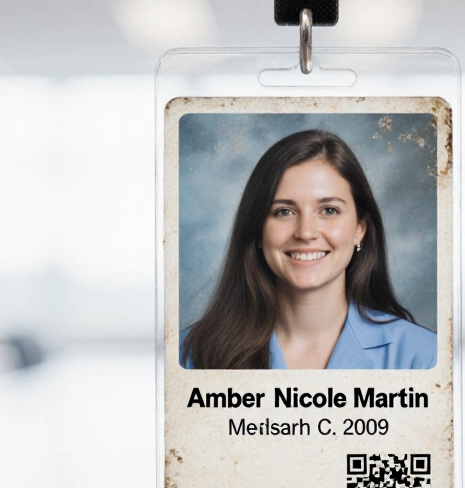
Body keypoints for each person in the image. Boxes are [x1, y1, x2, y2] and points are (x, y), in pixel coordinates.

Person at [180, 129, 436, 370]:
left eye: (329, 210)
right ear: (257, 230)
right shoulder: (187, 356)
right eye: (284, 212)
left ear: (360, 229)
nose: (305, 232)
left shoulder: (424, 357)